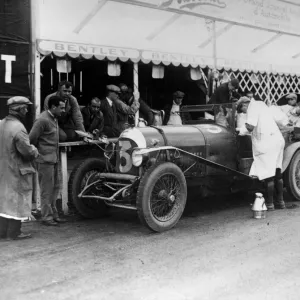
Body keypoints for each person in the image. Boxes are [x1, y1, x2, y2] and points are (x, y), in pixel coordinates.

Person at [0, 96, 39, 240]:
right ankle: (14, 233)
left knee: (4, 201)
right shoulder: (19, 128)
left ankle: (2, 232)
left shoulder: (1, 123)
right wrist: (35, 150)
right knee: (17, 200)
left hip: (3, 168)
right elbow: (27, 152)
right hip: (16, 169)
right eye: (26, 107)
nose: (28, 110)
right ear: (21, 109)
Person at [237, 97, 285, 210]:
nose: (244, 113)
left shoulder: (252, 108)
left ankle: (270, 204)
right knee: (278, 172)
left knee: (268, 175)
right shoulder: (261, 104)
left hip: (267, 143)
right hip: (277, 139)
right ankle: (281, 202)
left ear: (244, 105)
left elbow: (250, 126)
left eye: (242, 110)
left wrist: (240, 131)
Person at [29, 96, 67, 226]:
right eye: (61, 107)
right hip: (45, 160)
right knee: (47, 190)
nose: (64, 110)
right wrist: (39, 154)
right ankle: (47, 217)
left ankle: (53, 214)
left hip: (53, 159)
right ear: (53, 107)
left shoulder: (54, 118)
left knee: (55, 188)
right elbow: (31, 139)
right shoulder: (42, 120)